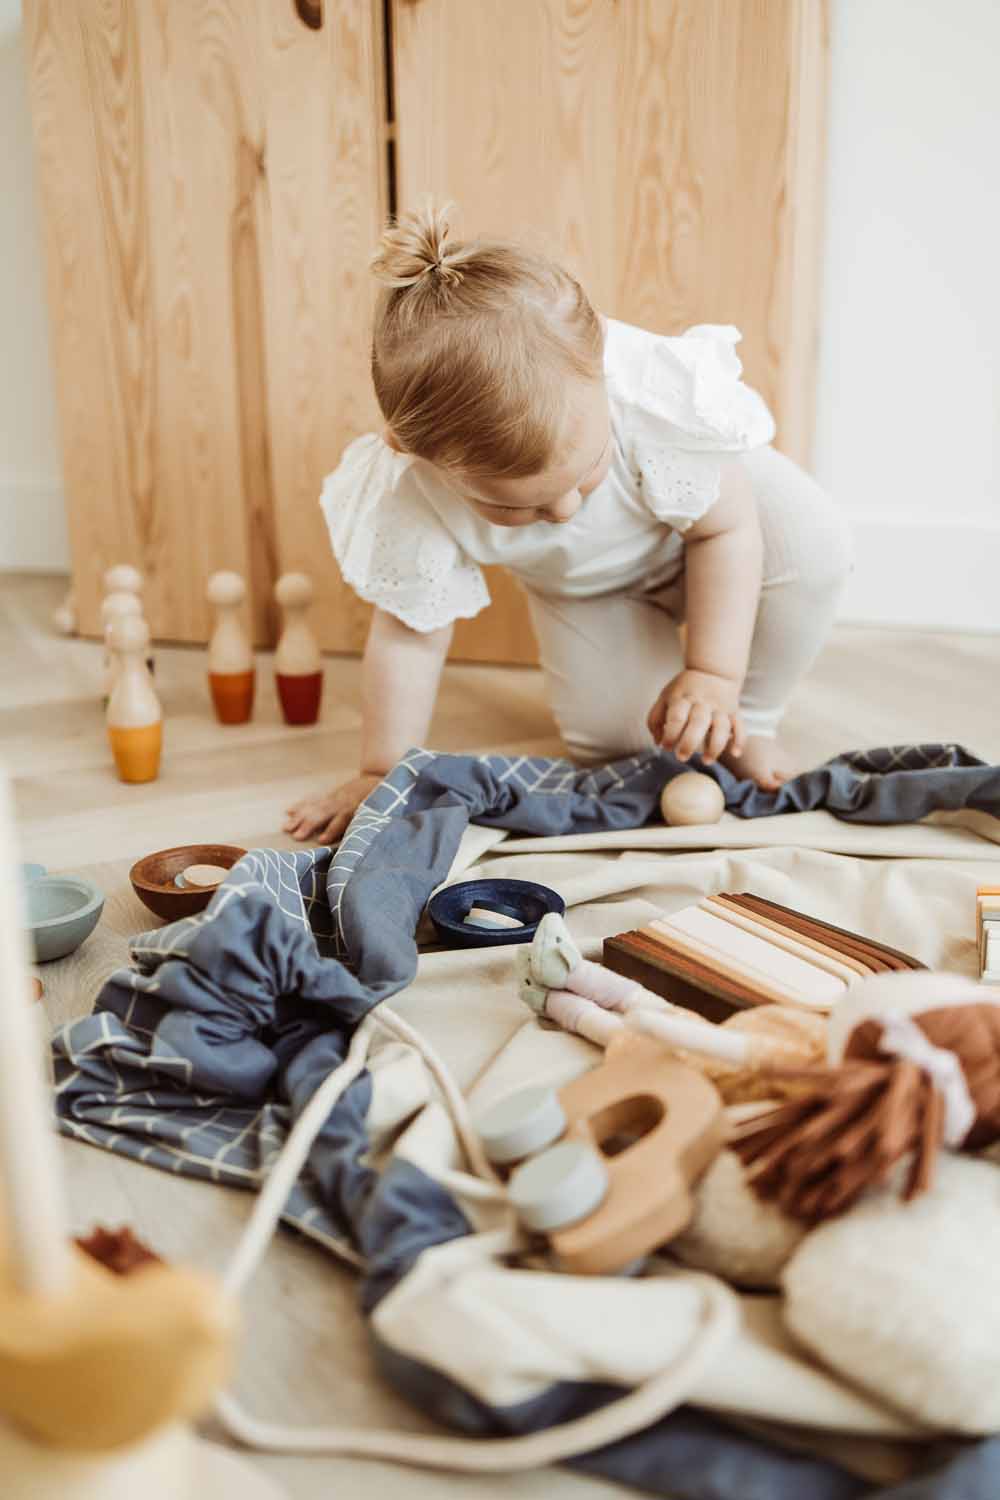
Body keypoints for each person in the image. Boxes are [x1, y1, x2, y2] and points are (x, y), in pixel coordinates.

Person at [285, 202, 852, 844]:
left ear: (601, 367)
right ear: (420, 457)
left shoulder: (647, 397)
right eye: (517, 509)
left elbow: (725, 531)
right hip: (591, 591)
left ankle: (747, 721)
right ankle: (692, 716)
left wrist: (714, 675)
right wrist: (380, 770)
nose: (564, 513)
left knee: (814, 543)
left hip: (722, 530)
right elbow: (409, 637)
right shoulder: (410, 493)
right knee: (623, 745)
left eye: (585, 476)